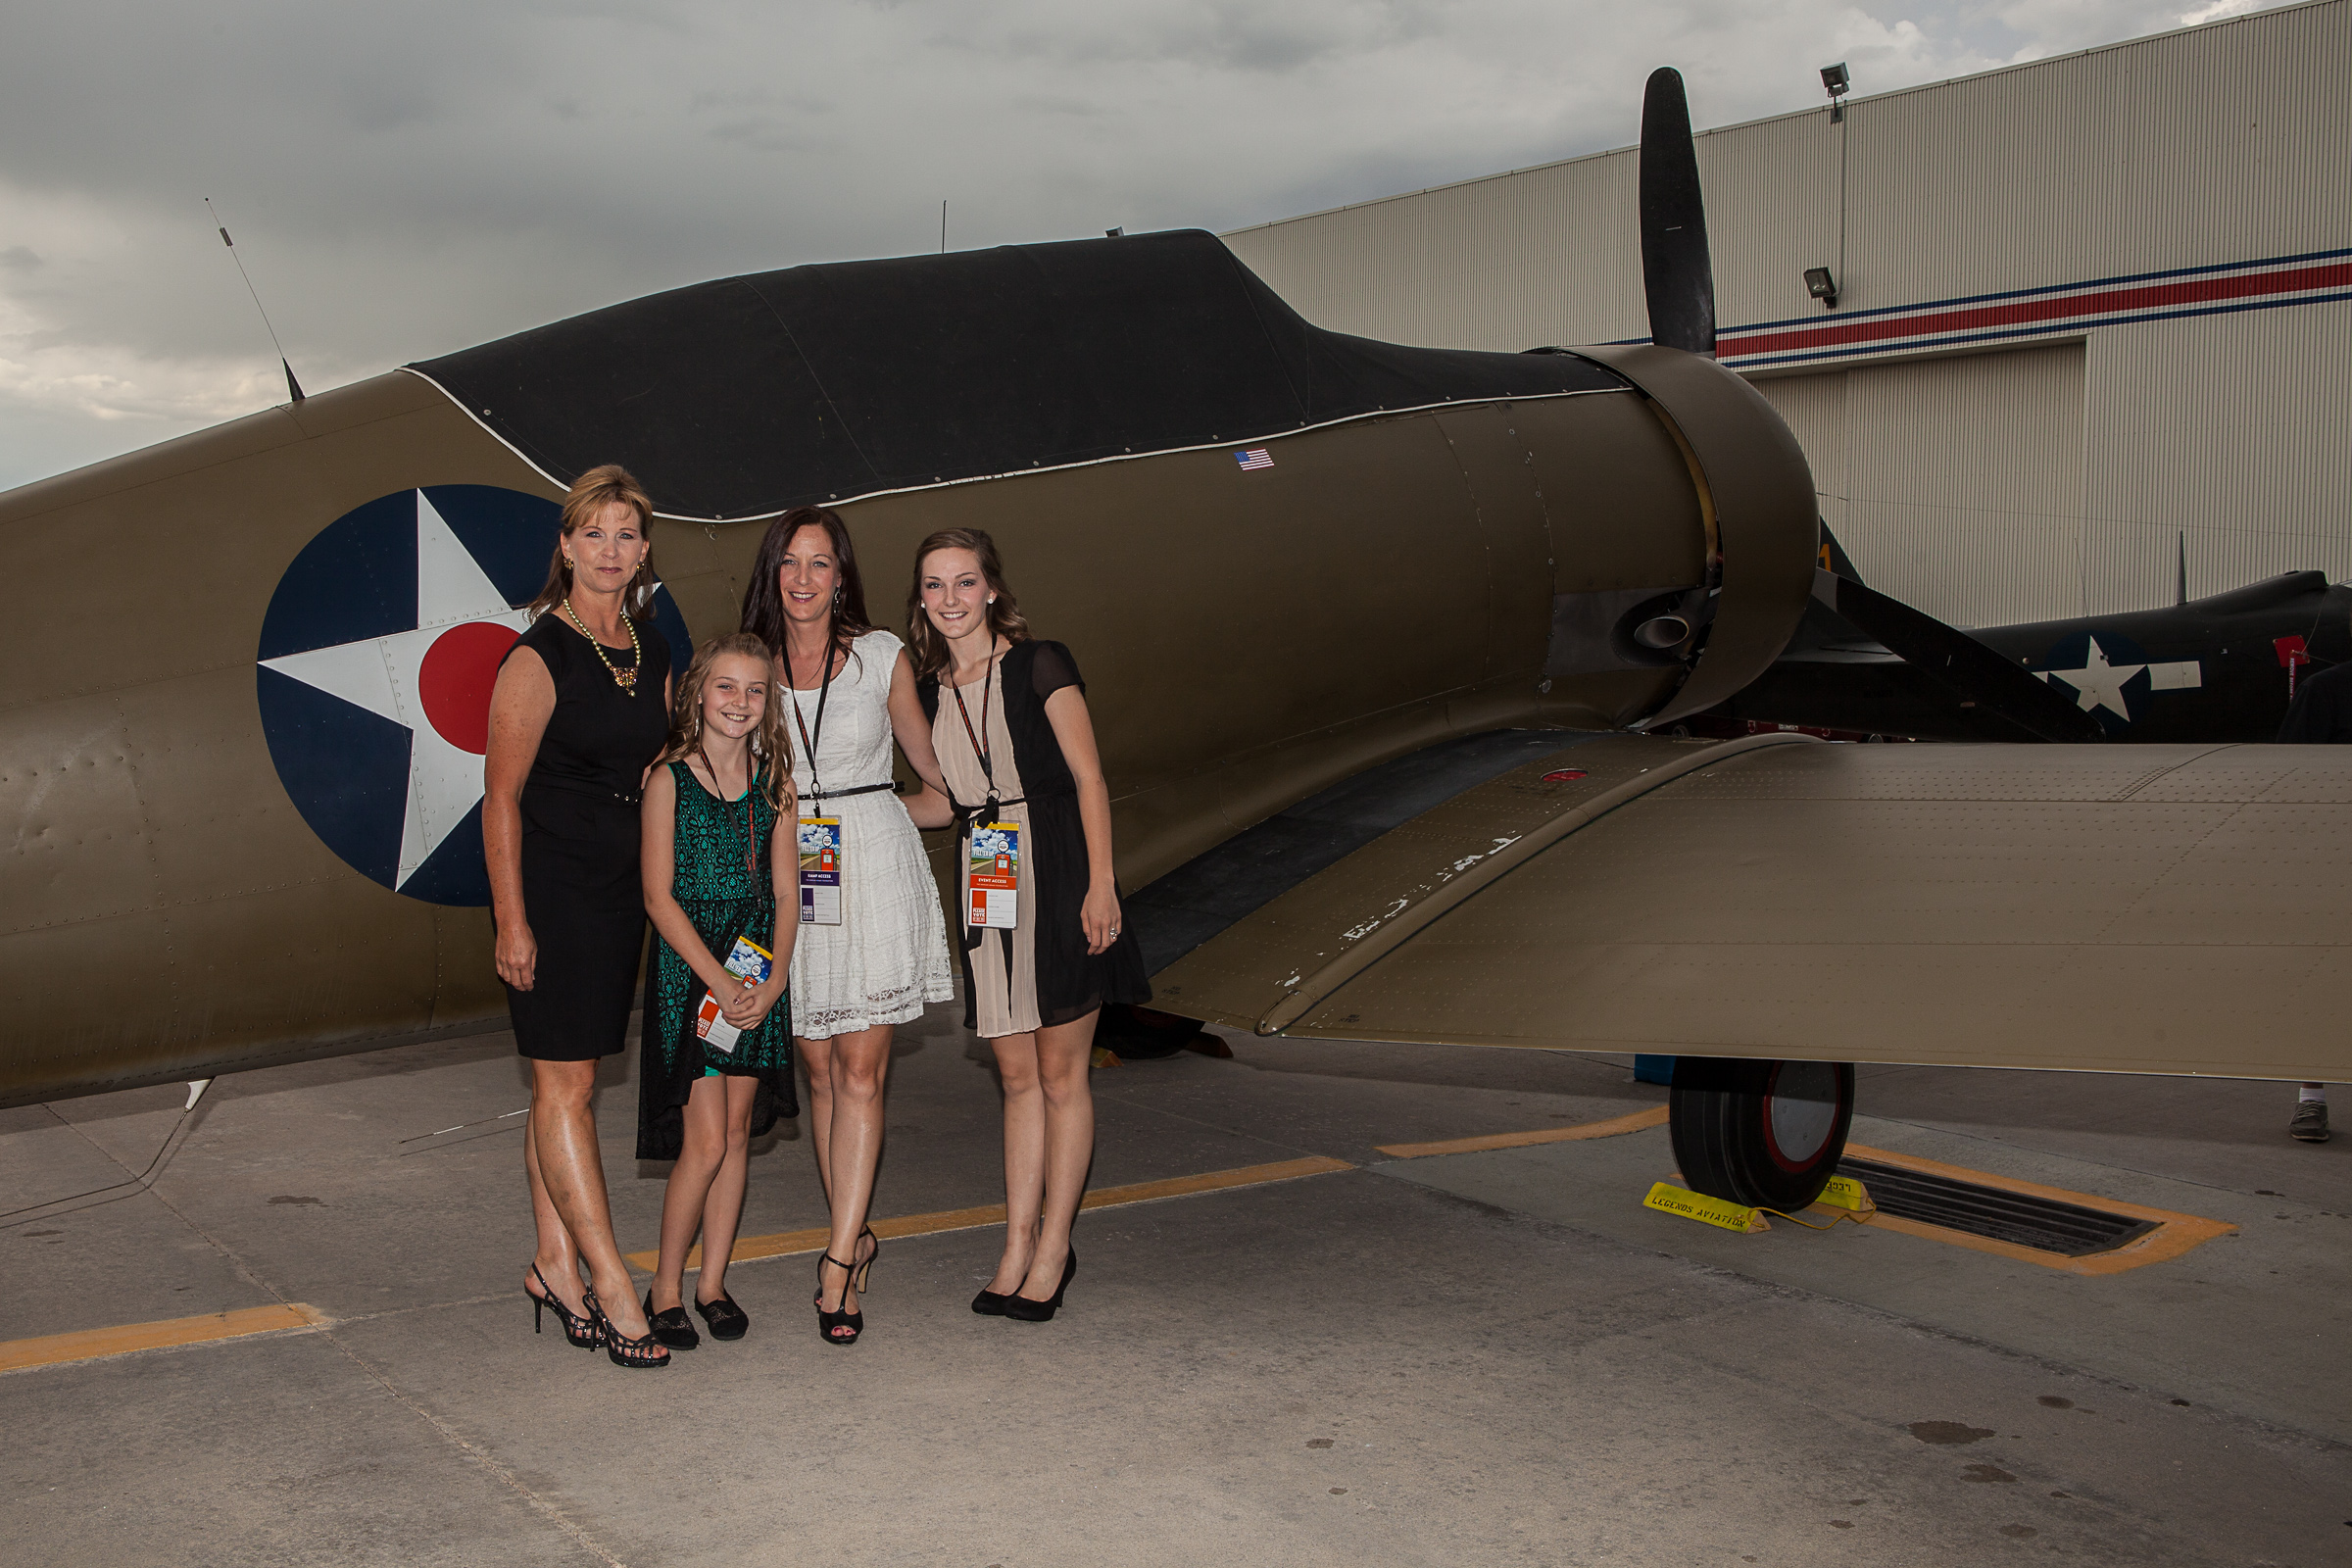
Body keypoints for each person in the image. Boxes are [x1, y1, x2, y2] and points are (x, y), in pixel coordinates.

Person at [907, 528, 1150, 1323]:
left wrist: (1101, 885)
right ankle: (1015, 1244)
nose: (950, 599)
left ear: (991, 590)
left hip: (1057, 864)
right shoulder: (931, 688)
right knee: (1014, 1078)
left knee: (1059, 1074)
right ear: (922, 600)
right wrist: (844, 812)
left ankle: (1054, 1248)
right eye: (935, 586)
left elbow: (1089, 776)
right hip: (986, 867)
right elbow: (944, 804)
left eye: (964, 583)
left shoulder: (1041, 662)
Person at [740, 507, 955, 1345]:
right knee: (821, 1076)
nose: (803, 579)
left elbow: (938, 785)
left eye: (820, 564)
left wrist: (873, 814)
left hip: (868, 867)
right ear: (773, 572)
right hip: (791, 882)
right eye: (790, 563)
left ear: (842, 575)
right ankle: (856, 1233)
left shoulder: (880, 658)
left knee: (860, 1074)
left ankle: (836, 1266)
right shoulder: (747, 665)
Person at [485, 465, 675, 1369]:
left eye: (627, 535)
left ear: (644, 551)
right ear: (566, 546)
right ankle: (607, 1278)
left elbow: (663, 767)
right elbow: (499, 802)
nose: (611, 551)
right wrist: (512, 922)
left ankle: (551, 1264)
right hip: (556, 894)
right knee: (566, 1090)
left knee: (565, 1089)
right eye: (593, 534)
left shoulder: (645, 646)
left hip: (619, 894)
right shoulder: (538, 654)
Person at [636, 633, 800, 1349]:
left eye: (755, 690)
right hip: (695, 975)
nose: (740, 702)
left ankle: (713, 1283)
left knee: (737, 1136)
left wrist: (775, 977)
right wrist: (721, 981)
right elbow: (658, 897)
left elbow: (790, 893)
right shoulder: (668, 779)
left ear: (769, 704)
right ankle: (664, 1288)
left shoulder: (777, 785)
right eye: (726, 687)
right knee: (702, 1143)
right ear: (698, 693)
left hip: (757, 972)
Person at [2276, 660, 2352, 1141]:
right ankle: (2312, 1098)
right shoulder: (2325, 691)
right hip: (2335, 856)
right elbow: (2286, 777)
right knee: (2325, 976)